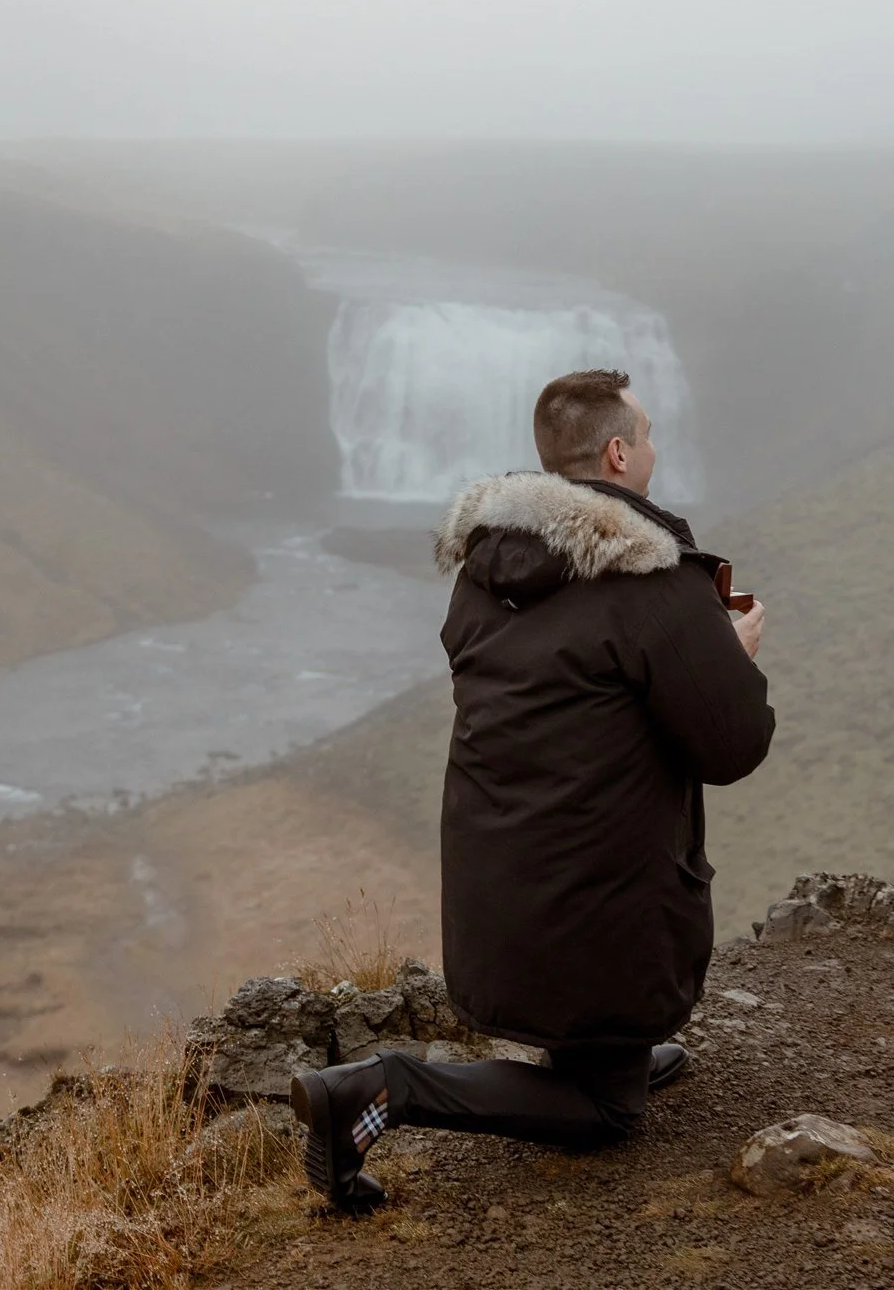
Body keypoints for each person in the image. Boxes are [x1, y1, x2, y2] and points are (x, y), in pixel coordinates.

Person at [290, 368, 775, 1212]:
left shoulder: (485, 569)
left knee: (612, 1041)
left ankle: (609, 1053)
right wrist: (725, 656)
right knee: (608, 1113)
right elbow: (733, 745)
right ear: (618, 453)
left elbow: (567, 710)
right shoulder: (654, 585)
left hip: (498, 891)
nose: (656, 446)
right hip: (594, 909)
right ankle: (381, 1089)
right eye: (648, 434)